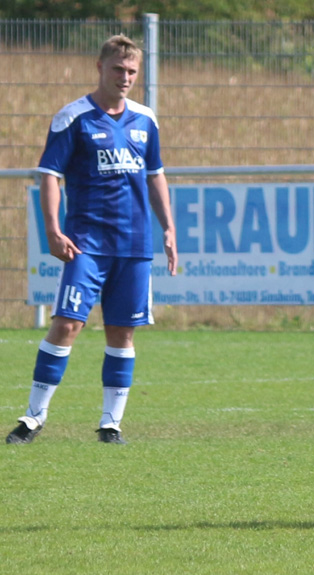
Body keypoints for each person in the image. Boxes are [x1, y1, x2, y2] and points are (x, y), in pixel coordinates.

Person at [6, 34, 177, 445]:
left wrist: (168, 228)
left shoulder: (145, 119)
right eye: (118, 69)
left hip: (134, 245)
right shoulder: (73, 117)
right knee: (66, 325)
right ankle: (33, 417)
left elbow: (155, 175)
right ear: (99, 67)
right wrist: (52, 229)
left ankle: (110, 424)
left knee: (122, 333)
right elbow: (49, 174)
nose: (126, 77)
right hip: (87, 242)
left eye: (132, 71)